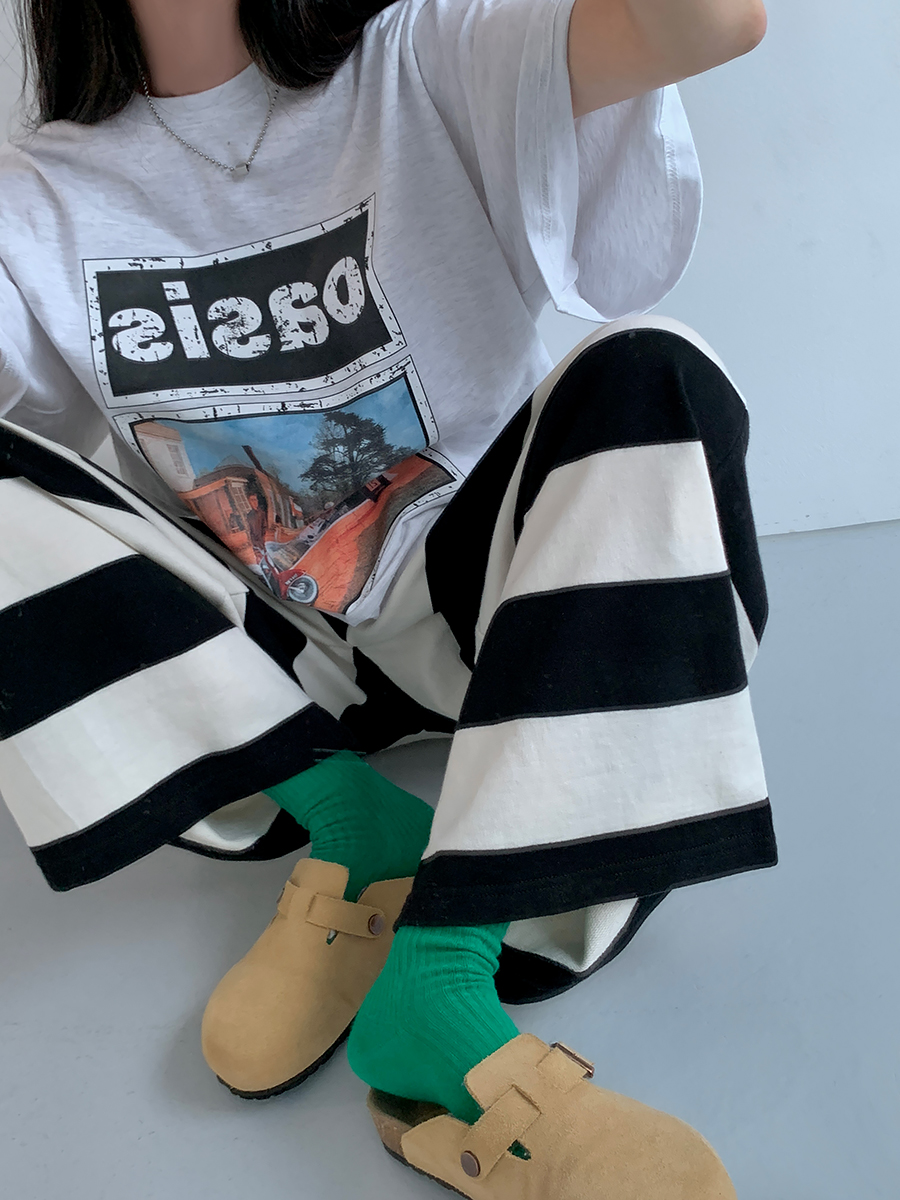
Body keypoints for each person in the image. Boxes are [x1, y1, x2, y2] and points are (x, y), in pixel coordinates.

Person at [0, 0, 774, 1194]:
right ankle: (360, 827)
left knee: (656, 373)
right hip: (276, 675)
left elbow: (714, 22)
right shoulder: (36, 198)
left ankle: (440, 967)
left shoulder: (423, 53)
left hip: (511, 624)